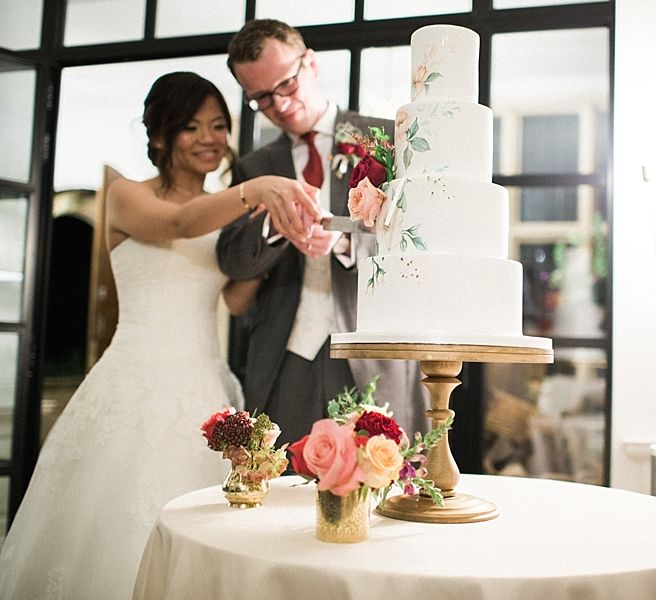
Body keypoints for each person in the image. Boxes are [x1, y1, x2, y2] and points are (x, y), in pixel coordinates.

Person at [0, 71, 320, 600]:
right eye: (192, 126)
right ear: (160, 135)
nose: (210, 138)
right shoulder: (126, 195)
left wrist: (274, 238)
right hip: (133, 385)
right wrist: (252, 190)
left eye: (219, 125)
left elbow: (235, 300)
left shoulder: (228, 209)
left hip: (204, 389)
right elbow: (178, 225)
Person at [217, 19, 429, 447]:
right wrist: (276, 227)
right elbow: (232, 259)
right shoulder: (254, 167)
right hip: (285, 356)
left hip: (372, 348)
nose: (278, 104)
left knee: (381, 489)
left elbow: (419, 239)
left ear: (310, 64)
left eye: (286, 85)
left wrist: (346, 240)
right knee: (282, 489)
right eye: (260, 98)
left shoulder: (383, 138)